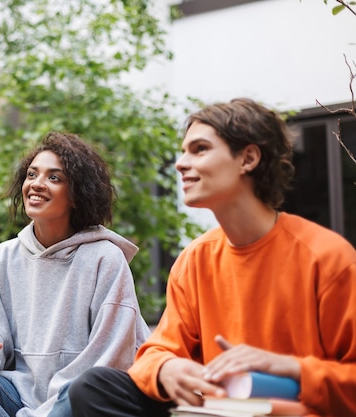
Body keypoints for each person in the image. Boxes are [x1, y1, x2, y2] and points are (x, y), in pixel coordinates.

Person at [68, 98, 356, 417]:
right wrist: (166, 369)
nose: (180, 163)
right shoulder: (195, 259)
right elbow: (157, 352)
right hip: (214, 409)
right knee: (94, 387)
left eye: (200, 149)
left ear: (247, 158)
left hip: (293, 411)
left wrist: (290, 368)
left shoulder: (327, 258)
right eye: (183, 151)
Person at [0, 132, 150, 417]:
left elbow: (109, 359)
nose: (36, 184)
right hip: (20, 395)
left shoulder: (105, 258)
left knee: (83, 389)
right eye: (32, 174)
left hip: (78, 399)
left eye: (54, 178)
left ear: (77, 195)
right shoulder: (5, 256)